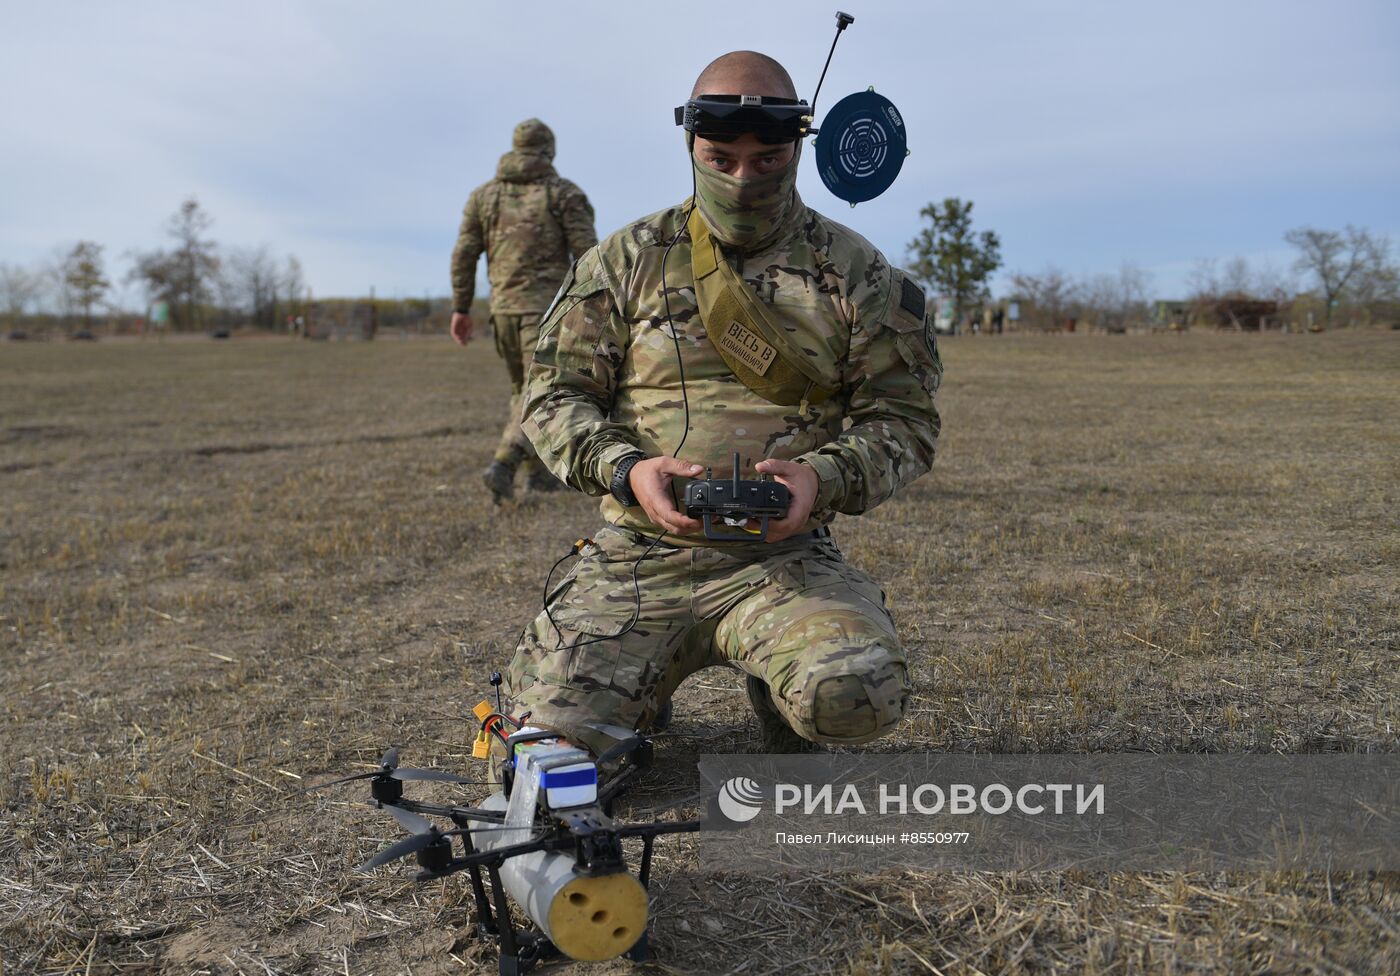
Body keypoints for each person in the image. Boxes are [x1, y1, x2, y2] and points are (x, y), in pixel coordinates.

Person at [501, 52, 942, 759]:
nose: (743, 179)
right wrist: (625, 470)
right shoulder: (626, 261)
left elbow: (906, 420)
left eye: (767, 160)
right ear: (691, 147)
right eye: (721, 158)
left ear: (799, 147)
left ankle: (785, 689)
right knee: (546, 747)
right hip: (640, 557)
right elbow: (553, 394)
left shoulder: (857, 274)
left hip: (785, 560)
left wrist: (822, 478)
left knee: (854, 693)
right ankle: (633, 690)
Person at [450, 119, 598, 501]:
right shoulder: (563, 193)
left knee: (523, 389)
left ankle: (539, 475)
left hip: (502, 312)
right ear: (549, 150)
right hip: (546, 311)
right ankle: (505, 463)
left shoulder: (484, 196)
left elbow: (464, 252)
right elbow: (589, 257)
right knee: (537, 394)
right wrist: (596, 306)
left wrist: (461, 307)